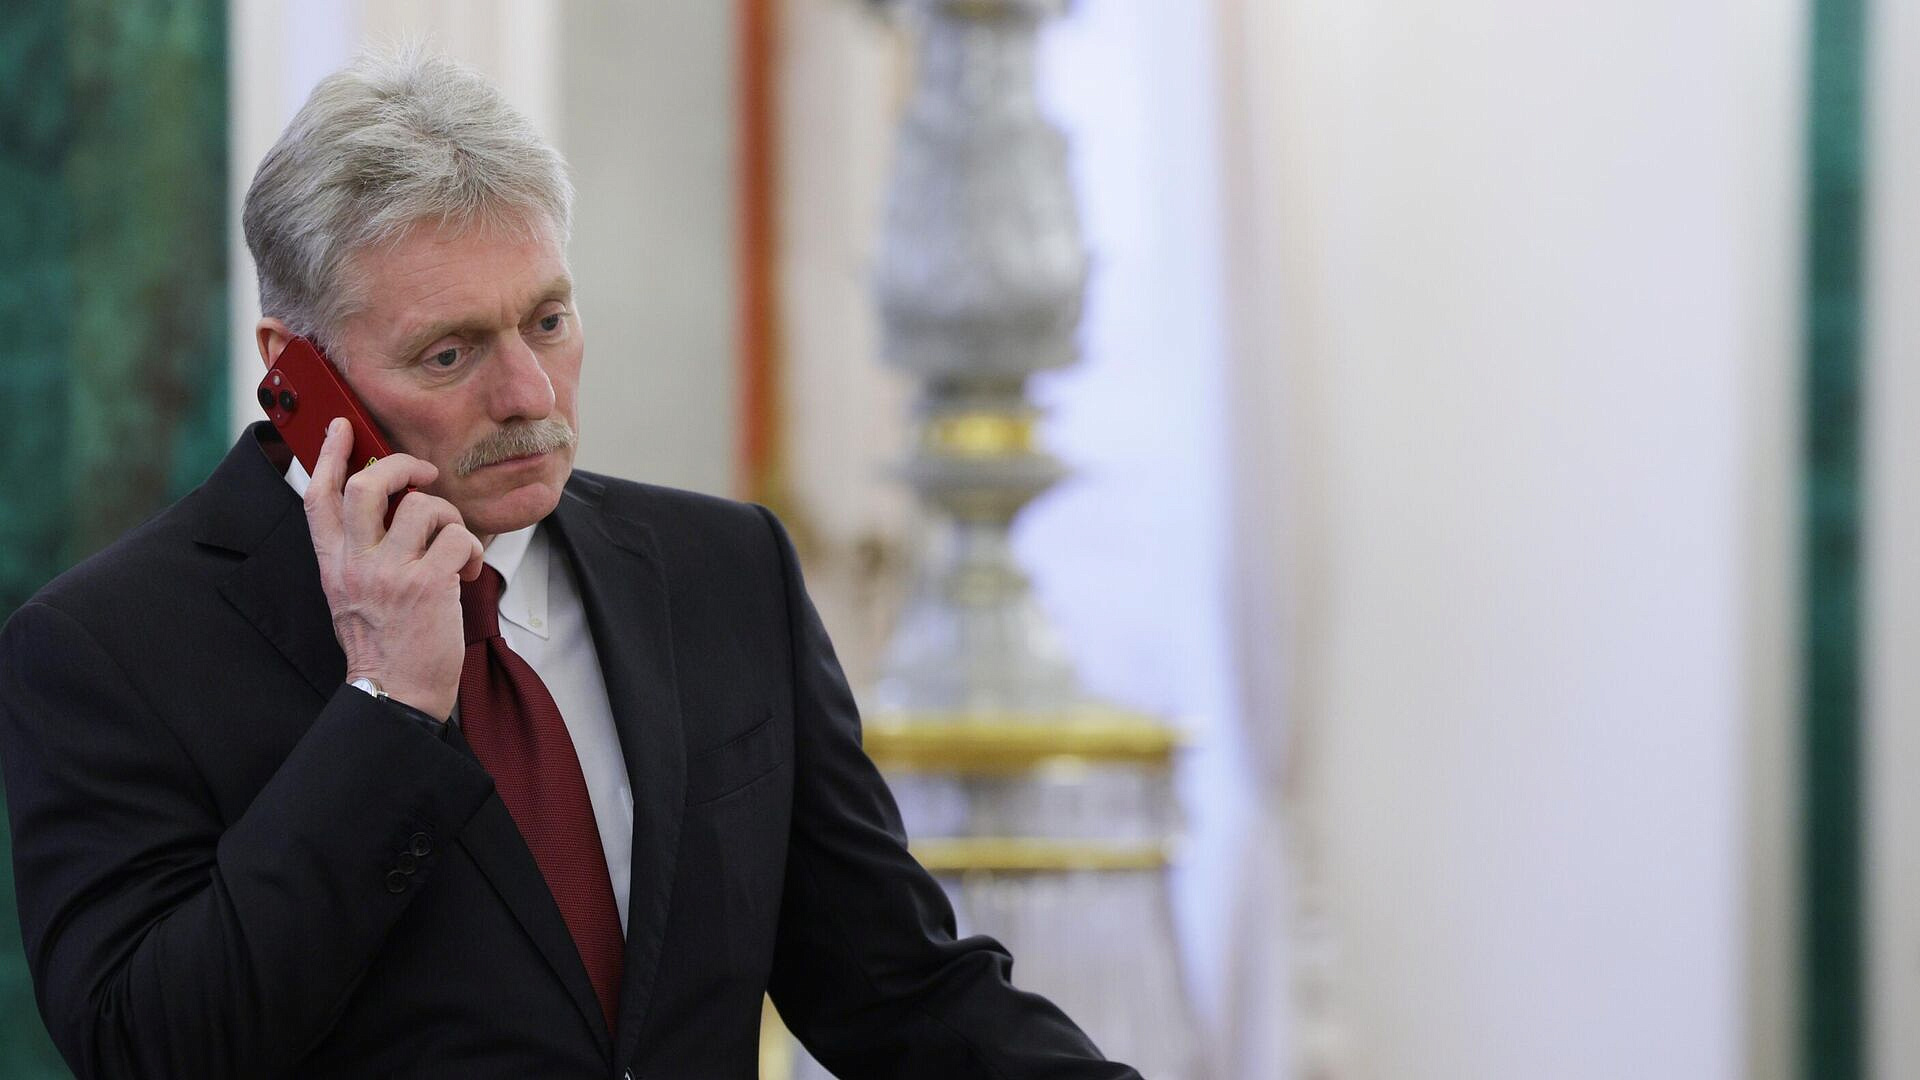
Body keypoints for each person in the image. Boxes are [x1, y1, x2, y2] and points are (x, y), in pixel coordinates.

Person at [0, 50, 1137, 1080]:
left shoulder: (723, 572)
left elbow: (899, 991)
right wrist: (385, 709)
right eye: (450, 353)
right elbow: (152, 1047)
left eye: (547, 321)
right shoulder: (107, 649)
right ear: (295, 372)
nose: (529, 395)